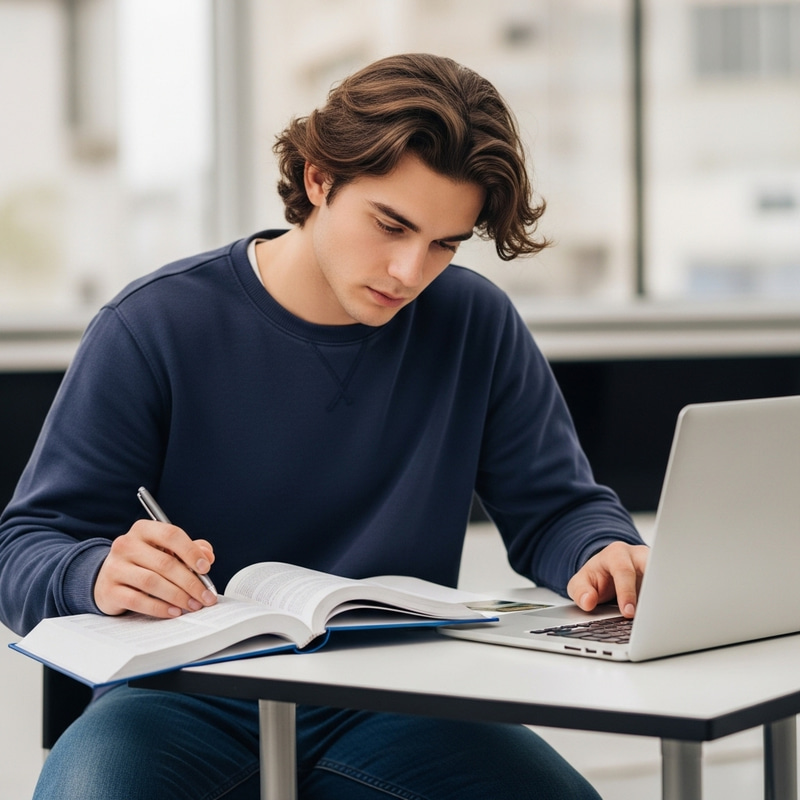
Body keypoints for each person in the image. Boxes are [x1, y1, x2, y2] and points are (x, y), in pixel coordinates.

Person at [0, 53, 647, 799]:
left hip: (398, 699)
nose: (409, 271)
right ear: (318, 178)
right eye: (391, 225)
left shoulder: (475, 323)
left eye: (445, 243)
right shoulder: (153, 326)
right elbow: (24, 546)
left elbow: (557, 509)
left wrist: (604, 551)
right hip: (179, 696)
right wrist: (95, 572)